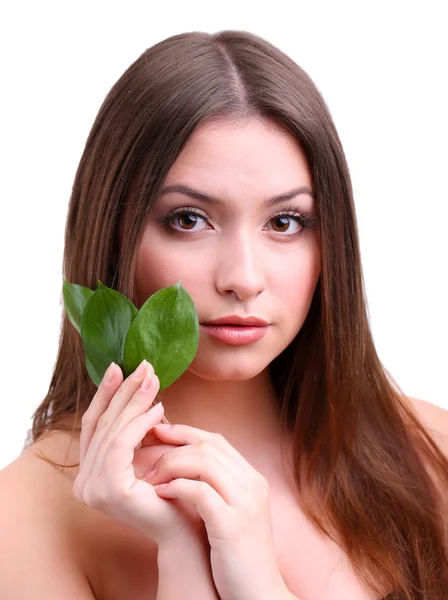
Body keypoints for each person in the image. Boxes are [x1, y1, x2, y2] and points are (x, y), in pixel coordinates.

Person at [0, 29, 446, 600]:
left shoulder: (430, 449)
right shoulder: (27, 520)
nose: (244, 277)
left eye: (285, 222)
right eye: (189, 220)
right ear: (114, 232)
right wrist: (182, 549)